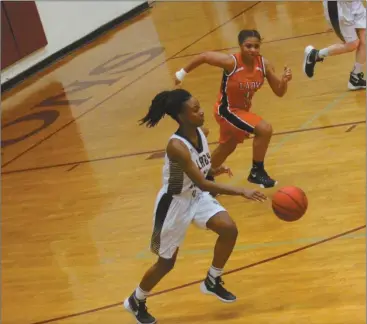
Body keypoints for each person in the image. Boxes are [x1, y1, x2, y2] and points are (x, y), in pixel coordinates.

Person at [123, 89, 267, 324]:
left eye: (200, 107)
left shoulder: (201, 132)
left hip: (195, 195)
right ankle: (136, 300)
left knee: (229, 229)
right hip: (173, 204)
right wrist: (241, 190)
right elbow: (200, 181)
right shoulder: (176, 146)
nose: (201, 112)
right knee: (166, 263)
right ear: (181, 116)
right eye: (195, 110)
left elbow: (200, 172)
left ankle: (212, 279)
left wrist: (213, 170)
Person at [174, 29, 292, 189]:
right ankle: (257, 172)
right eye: (248, 46)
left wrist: (284, 81)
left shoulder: (264, 65)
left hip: (242, 112)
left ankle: (202, 179)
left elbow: (279, 92)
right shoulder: (232, 62)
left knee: (227, 147)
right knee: (264, 129)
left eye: (256, 46)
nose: (252, 50)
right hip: (227, 110)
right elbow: (204, 56)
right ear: (240, 46)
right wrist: (182, 72)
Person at [303, 0, 366, 90]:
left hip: (355, 4)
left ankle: (355, 77)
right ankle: (315, 55)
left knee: (365, 40)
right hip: (340, 5)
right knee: (352, 44)